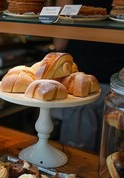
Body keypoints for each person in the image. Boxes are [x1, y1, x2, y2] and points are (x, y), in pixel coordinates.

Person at [52, 0, 124, 152]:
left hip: (80, 83)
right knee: (112, 155)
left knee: (77, 153)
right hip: (118, 85)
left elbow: (60, 42)